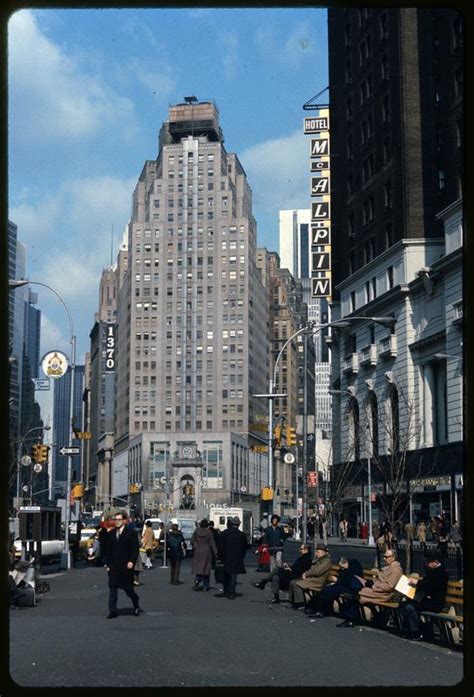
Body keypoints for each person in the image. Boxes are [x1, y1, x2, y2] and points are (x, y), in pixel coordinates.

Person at [338, 548, 402, 628]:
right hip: (377, 591)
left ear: (393, 558)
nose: (384, 558)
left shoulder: (396, 570)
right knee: (355, 586)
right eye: (384, 556)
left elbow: (389, 586)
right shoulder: (388, 568)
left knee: (356, 595)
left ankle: (351, 619)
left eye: (386, 557)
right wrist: (371, 582)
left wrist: (373, 586)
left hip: (383, 594)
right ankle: (353, 617)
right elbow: (380, 581)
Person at [399, 551, 449, 641]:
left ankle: (415, 632)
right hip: (428, 600)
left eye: (428, 562)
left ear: (435, 562)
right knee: (404, 604)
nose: (426, 564)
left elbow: (429, 586)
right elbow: (425, 583)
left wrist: (416, 582)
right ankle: (409, 629)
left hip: (435, 603)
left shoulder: (441, 572)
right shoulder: (433, 571)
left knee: (410, 607)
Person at [101, 510, 141, 619]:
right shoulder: (111, 534)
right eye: (115, 520)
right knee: (113, 588)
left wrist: (131, 561)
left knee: (128, 589)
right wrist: (107, 564)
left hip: (126, 566)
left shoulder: (131, 533)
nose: (117, 522)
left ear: (124, 521)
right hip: (114, 566)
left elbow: (134, 549)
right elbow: (107, 550)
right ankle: (112, 611)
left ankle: (136, 603)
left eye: (119, 520)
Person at [288, 543, 333, 609]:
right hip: (312, 578)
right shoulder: (319, 560)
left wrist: (306, 574)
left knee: (296, 584)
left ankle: (300, 603)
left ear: (323, 553)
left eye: (318, 552)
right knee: (292, 581)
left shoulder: (326, 561)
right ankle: (293, 602)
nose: (316, 553)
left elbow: (317, 571)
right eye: (316, 552)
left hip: (318, 581)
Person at [216, 516, 248, 599]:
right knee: (233, 575)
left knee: (226, 574)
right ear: (238, 524)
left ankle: (226, 590)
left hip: (225, 557)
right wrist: (242, 556)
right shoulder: (242, 535)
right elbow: (245, 547)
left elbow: (220, 546)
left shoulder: (224, 533)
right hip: (236, 558)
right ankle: (231, 592)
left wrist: (219, 556)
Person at [191, 519, 217, 591]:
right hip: (207, 551)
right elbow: (212, 544)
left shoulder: (196, 531)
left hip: (198, 550)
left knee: (199, 567)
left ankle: (197, 579)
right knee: (206, 569)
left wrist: (194, 546)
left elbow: (192, 540)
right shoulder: (209, 532)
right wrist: (216, 553)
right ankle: (205, 586)